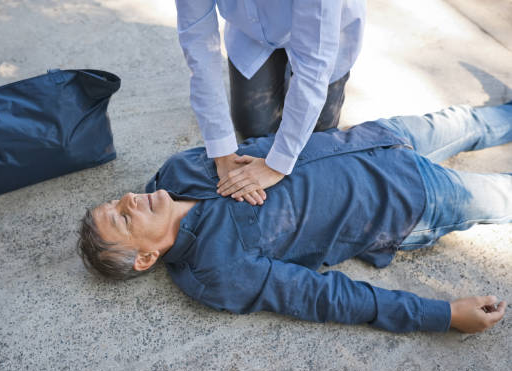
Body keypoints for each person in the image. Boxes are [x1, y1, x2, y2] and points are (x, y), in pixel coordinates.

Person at [77, 102, 512, 334]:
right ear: (144, 258)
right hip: (409, 200)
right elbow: (325, 298)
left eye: (117, 201)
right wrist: (443, 315)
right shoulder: (217, 272)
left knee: (470, 119)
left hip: (377, 138)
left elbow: (265, 143)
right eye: (122, 218)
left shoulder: (177, 171)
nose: (131, 199)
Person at [175, 0, 365, 205]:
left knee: (317, 140)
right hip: (252, 34)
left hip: (325, 37)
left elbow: (314, 65)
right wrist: (221, 152)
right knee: (254, 129)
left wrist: (278, 164)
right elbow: (198, 43)